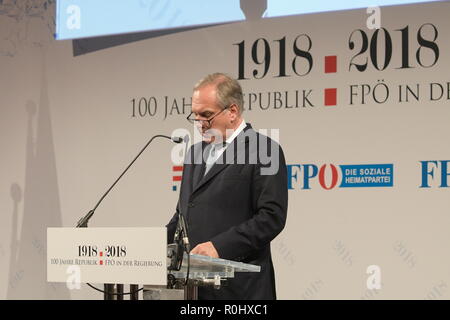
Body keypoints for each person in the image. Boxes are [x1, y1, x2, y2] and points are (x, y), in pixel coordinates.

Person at [166, 73, 288, 300]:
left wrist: (219, 246)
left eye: (207, 115)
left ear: (232, 111)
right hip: (193, 289)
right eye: (195, 116)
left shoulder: (265, 150)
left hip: (239, 289)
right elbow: (182, 215)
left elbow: (271, 217)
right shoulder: (194, 153)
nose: (200, 123)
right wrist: (149, 247)